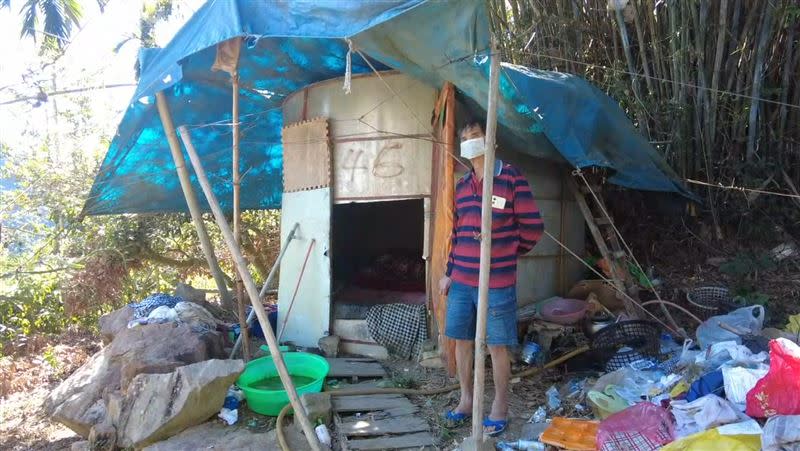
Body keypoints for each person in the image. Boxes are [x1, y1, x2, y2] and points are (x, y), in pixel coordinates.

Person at [439, 120, 544, 436]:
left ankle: (500, 405)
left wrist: (507, 251)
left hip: (496, 281)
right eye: (465, 137)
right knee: (460, 340)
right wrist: (448, 273)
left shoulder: (510, 178)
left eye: (476, 136)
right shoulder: (462, 185)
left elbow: (533, 227)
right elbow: (458, 234)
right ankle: (467, 400)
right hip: (461, 280)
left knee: (498, 345)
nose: (470, 141)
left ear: (490, 141)